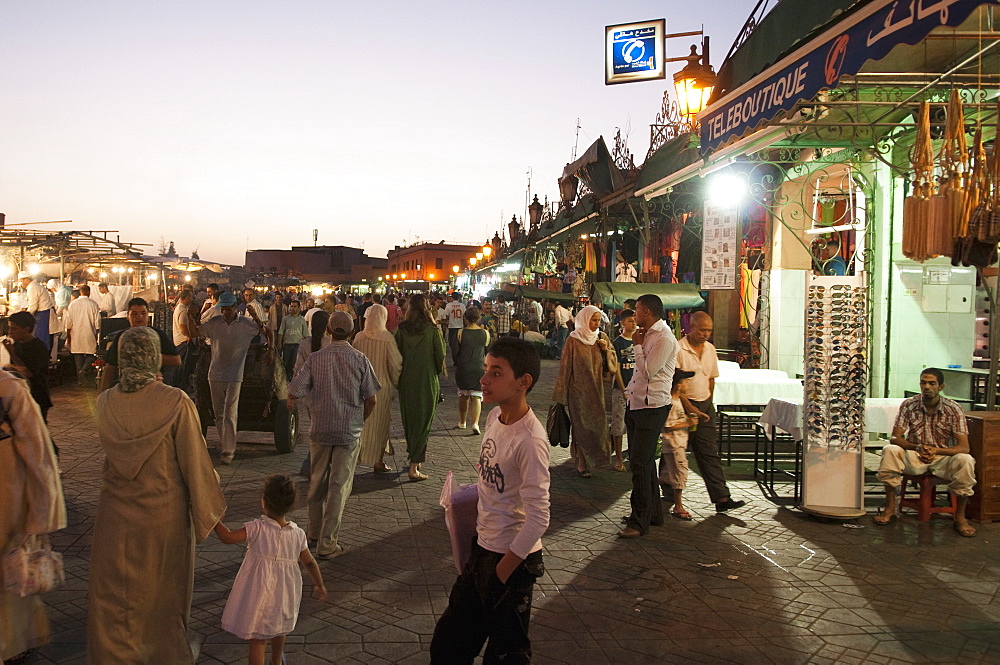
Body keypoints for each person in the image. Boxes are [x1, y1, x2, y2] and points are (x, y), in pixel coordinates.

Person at [88, 326, 226, 664]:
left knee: (116, 595)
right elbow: (195, 464)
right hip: (163, 516)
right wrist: (210, 514)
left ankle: (115, 656)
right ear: (154, 358)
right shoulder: (175, 402)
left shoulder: (105, 402)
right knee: (161, 593)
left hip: (114, 517)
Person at [429, 338, 548, 664]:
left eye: (496, 372)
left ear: (524, 382)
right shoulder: (495, 418)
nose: (484, 380)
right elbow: (491, 482)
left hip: (512, 562)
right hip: (482, 550)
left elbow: (539, 518)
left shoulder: (531, 440)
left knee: (506, 654)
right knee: (448, 646)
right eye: (486, 370)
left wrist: (500, 574)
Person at [288, 311, 380, 558]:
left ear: (328, 331)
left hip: (319, 429)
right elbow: (371, 399)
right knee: (339, 487)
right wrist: (360, 420)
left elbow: (295, 389)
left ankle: (314, 533)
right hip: (348, 431)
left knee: (316, 482)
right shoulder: (360, 359)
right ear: (351, 332)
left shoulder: (316, 358)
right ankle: (328, 544)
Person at [214, 475, 328, 665]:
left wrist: (214, 519)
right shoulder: (297, 534)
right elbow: (309, 562)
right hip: (284, 592)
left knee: (258, 639)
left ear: (264, 502)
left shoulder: (257, 528)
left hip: (259, 592)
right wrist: (320, 584)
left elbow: (228, 537)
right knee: (279, 627)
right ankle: (276, 661)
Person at [0, 367, 66, 664]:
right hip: (8, 498)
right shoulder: (8, 386)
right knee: (10, 573)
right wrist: (43, 513)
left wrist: (42, 511)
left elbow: (36, 452)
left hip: (8, 496)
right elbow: (38, 453)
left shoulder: (9, 387)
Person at [875, 368, 978, 537]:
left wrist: (936, 450)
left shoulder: (953, 409)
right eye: (923, 382)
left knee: (965, 460)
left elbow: (964, 447)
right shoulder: (909, 404)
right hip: (916, 455)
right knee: (890, 450)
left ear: (941, 386)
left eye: (932, 383)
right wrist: (916, 447)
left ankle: (960, 517)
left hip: (942, 458)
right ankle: (890, 508)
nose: (926, 387)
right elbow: (895, 437)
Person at [675, 312, 746, 512]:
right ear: (691, 328)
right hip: (683, 406)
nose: (705, 334)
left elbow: (711, 378)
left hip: (704, 405)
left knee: (708, 452)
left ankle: (721, 497)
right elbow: (675, 386)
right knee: (675, 452)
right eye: (702, 330)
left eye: (709, 330)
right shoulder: (679, 349)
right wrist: (690, 408)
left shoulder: (710, 349)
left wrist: (708, 403)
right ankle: (669, 489)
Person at [619, 294, 677, 539]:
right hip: (637, 403)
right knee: (643, 461)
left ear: (649, 312)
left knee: (640, 464)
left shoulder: (663, 337)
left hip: (652, 407)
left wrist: (636, 346)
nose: (634, 315)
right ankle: (652, 513)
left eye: (638, 310)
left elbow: (648, 371)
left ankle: (639, 520)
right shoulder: (648, 335)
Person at [191, 291, 271, 465]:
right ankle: (225, 443)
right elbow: (196, 333)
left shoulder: (246, 324)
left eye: (228, 309)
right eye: (223, 309)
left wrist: (271, 351)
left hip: (235, 374)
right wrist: (193, 316)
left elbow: (266, 331)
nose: (225, 313)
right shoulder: (214, 323)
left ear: (236, 308)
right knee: (219, 413)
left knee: (230, 411)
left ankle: (229, 450)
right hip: (215, 373)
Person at [552, 305, 617, 478]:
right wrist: (561, 393)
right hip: (577, 392)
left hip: (597, 391)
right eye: (593, 320)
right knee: (580, 426)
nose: (596, 324)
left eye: (598, 320)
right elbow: (565, 367)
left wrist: (605, 351)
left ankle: (594, 459)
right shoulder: (573, 340)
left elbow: (611, 364)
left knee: (596, 427)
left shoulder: (601, 338)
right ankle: (581, 462)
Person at [395, 293, 446, 482]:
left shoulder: (401, 330)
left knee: (409, 419)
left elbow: (396, 355)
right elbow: (440, 358)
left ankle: (413, 455)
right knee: (424, 421)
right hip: (426, 380)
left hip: (406, 379)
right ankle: (414, 465)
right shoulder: (432, 331)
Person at [353, 304, 402, 473]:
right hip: (382, 388)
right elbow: (395, 365)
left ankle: (356, 457)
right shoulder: (387, 338)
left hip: (361, 389)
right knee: (380, 426)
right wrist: (395, 383)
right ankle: (378, 461)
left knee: (361, 425)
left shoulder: (359, 337)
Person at [100, 298, 181, 392]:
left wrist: (151, 356)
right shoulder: (121, 338)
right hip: (127, 389)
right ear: (127, 316)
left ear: (148, 316)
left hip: (153, 389)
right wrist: (102, 393)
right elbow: (110, 368)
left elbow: (176, 361)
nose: (139, 317)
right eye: (134, 314)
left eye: (143, 313)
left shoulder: (158, 335)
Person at [657, 370, 699, 520]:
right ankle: (678, 506)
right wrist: (688, 423)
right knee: (680, 474)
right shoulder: (671, 403)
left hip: (677, 443)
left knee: (669, 473)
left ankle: (658, 488)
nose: (688, 384)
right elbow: (668, 425)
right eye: (686, 382)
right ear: (679, 385)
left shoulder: (676, 400)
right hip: (674, 443)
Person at [3, 312, 55, 428]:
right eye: (10, 328)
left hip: (37, 395)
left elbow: (28, 372)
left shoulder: (38, 347)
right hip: (21, 395)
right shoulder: (17, 344)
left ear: (26, 329)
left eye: (14, 328)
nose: (10, 332)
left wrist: (11, 352)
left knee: (37, 431)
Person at [455, 306, 490, 435]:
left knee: (463, 395)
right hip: (479, 367)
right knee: (476, 396)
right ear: (478, 318)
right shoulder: (485, 333)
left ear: (465, 319)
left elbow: (455, 352)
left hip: (464, 367)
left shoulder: (460, 333)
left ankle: (462, 422)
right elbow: (487, 350)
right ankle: (475, 423)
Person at [610, 309, 637, 472]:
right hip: (621, 391)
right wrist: (623, 389)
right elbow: (616, 369)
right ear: (622, 323)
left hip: (637, 391)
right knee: (618, 425)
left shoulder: (640, 340)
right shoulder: (618, 343)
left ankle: (632, 455)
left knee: (634, 425)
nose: (633, 323)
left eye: (634, 320)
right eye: (629, 320)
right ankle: (619, 458)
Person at [65, 285, 102, 387]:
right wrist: (97, 332)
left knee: (78, 355)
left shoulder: (73, 304)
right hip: (89, 332)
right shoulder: (93, 304)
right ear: (89, 292)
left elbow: (68, 322)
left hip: (76, 333)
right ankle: (84, 370)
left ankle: (80, 380)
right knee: (91, 354)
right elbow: (97, 322)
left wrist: (68, 336)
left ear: (80, 292)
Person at [18, 271, 54, 350]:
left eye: (21, 281)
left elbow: (33, 306)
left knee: (41, 336)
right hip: (41, 313)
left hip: (42, 314)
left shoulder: (32, 287)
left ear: (26, 280)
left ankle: (42, 356)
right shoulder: (34, 286)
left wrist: (26, 316)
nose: (21, 284)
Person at [278, 300, 309, 380]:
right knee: (285, 363)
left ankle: (292, 380)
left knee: (293, 364)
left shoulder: (302, 320)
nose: (293, 308)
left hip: (297, 345)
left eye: (295, 306)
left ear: (299, 308)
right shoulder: (285, 319)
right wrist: (279, 344)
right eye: (291, 306)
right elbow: (281, 332)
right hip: (287, 344)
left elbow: (305, 334)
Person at [170, 289, 194, 389]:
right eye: (191, 298)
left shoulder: (178, 307)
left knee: (178, 365)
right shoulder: (183, 310)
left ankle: (175, 384)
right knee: (182, 366)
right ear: (187, 298)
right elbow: (182, 326)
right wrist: (188, 336)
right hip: (183, 341)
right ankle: (179, 386)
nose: (192, 300)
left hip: (178, 340)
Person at [445, 292, 465, 366]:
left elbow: (446, 317)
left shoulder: (448, 305)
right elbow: (464, 316)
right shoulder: (462, 306)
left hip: (452, 327)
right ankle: (460, 359)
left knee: (453, 345)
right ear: (458, 298)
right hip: (460, 327)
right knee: (460, 345)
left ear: (452, 298)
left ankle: (455, 362)